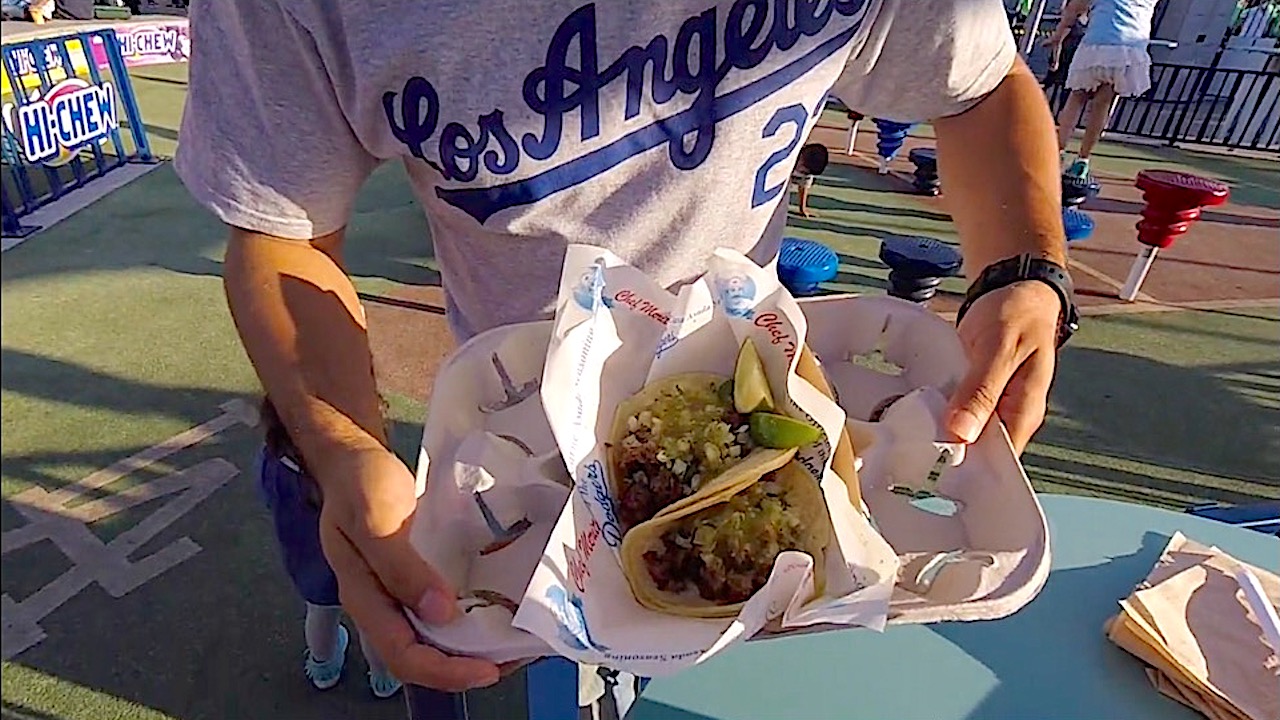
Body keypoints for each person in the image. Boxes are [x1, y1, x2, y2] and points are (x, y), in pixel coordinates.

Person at [176, 1, 1076, 716]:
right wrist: (339, 449)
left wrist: (1026, 269)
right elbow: (283, 233)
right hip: (516, 425)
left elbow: (977, 91)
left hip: (755, 389)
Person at [257, 397, 404, 699]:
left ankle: (322, 667)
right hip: (361, 563)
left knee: (321, 611)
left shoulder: (271, 463)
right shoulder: (358, 472)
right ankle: (384, 677)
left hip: (307, 563)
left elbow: (267, 496)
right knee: (371, 619)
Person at [1045, 0, 1161, 178]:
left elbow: (1074, 8)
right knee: (1103, 104)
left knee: (1076, 97)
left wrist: (1058, 37)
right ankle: (1083, 159)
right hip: (1130, 47)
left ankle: (1058, 150)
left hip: (1096, 43)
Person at [791, 143, 829, 218]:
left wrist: (802, 209)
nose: (801, 172)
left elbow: (804, 186)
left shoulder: (808, 169)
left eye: (804, 172)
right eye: (802, 170)